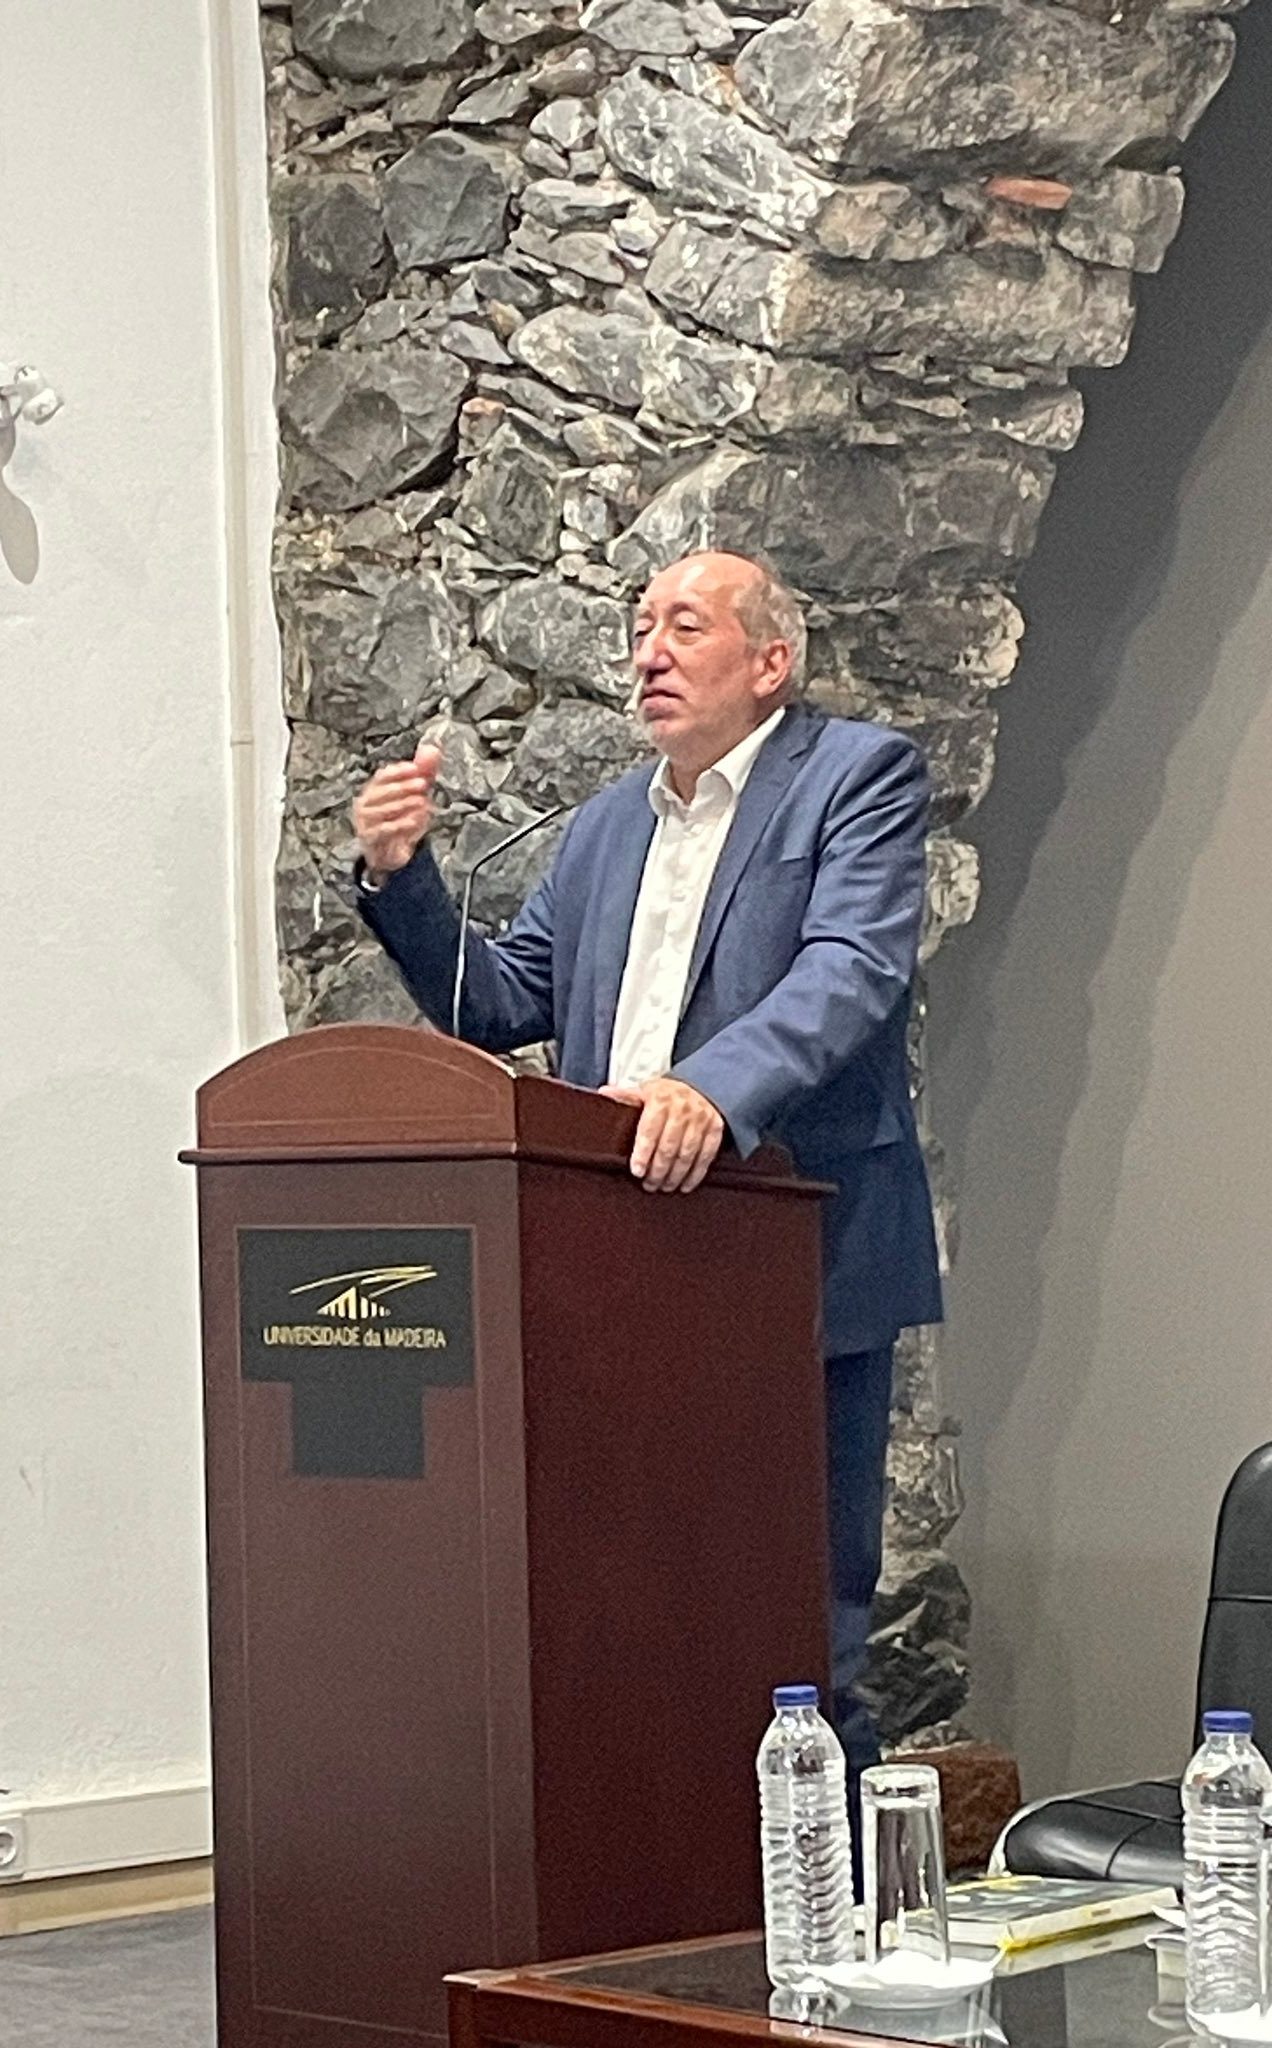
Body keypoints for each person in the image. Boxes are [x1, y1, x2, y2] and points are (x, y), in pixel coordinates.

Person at [350, 548, 942, 1807]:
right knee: (639, 1609)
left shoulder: (855, 777)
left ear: (770, 661)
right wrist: (406, 880)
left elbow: (850, 970)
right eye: (638, 627)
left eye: (684, 625)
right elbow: (501, 998)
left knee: (797, 1617)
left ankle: (834, 1903)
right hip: (617, 1262)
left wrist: (708, 1091)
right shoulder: (609, 823)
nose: (648, 652)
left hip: (792, 1252)